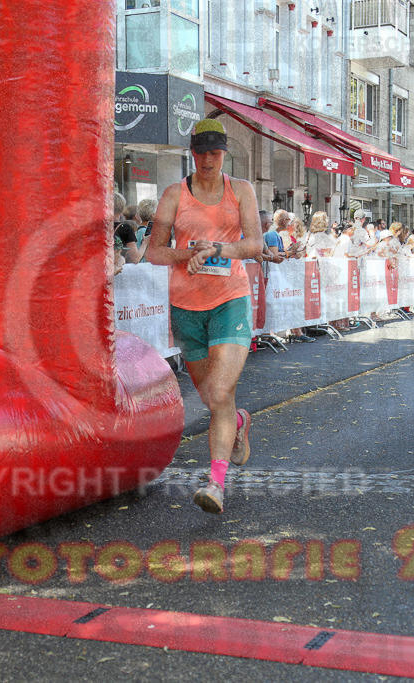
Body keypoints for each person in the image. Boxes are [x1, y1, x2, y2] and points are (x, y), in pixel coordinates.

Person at [145, 119, 263, 514]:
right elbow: (154, 253)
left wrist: (219, 251)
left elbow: (254, 244)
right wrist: (188, 255)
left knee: (221, 391)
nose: (208, 159)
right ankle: (240, 425)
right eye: (201, 152)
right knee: (215, 400)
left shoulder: (241, 191)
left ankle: (216, 482)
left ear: (224, 153)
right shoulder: (174, 195)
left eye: (215, 152)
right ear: (192, 153)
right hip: (186, 309)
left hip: (230, 300)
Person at [113, 192, 139, 264]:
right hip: (119, 269)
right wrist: (145, 243)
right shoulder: (126, 228)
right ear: (122, 210)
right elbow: (135, 259)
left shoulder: (97, 227)